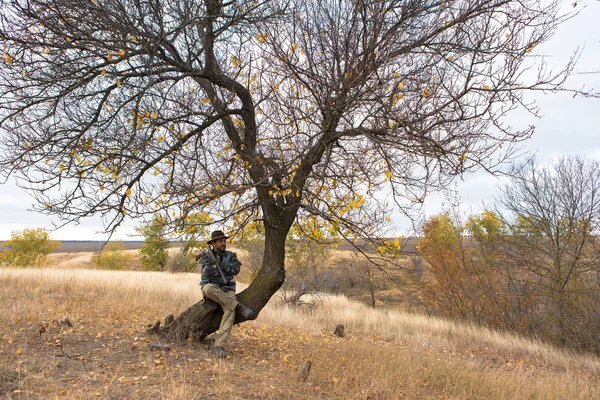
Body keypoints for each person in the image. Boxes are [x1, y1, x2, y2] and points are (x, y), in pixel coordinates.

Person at [197, 230, 254, 358]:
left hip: (227, 289)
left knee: (230, 309)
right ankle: (238, 305)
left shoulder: (231, 255)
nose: (223, 243)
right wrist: (224, 268)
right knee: (209, 290)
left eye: (224, 241)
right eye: (220, 241)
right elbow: (206, 273)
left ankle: (219, 346)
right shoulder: (206, 255)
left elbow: (236, 269)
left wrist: (217, 266)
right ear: (213, 243)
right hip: (210, 287)